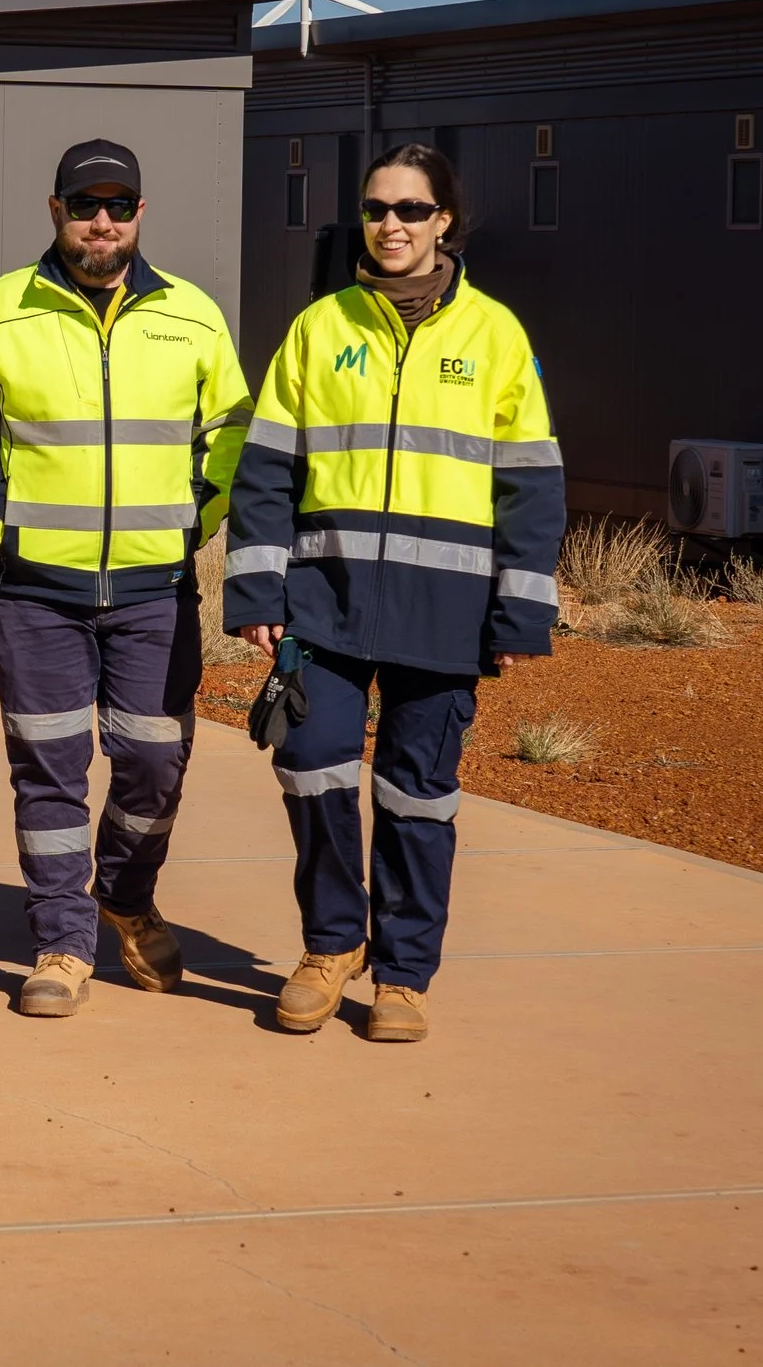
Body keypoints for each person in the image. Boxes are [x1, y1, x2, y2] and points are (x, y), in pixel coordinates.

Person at [224, 142, 565, 1042]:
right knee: (312, 767)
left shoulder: (495, 334)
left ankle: (404, 975)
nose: (392, 225)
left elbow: (531, 483)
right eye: (378, 208)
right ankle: (330, 946)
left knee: (419, 795)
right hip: (324, 608)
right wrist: (260, 592)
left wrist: (520, 607)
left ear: (444, 219)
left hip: (445, 615)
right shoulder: (318, 328)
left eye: (412, 210)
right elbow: (265, 472)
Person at [0, 140, 252, 1018]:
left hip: (155, 589)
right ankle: (61, 940)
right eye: (86, 205)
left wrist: (190, 521)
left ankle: (123, 893)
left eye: (119, 206)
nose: (102, 222)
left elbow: (228, 434)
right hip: (35, 590)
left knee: (155, 762)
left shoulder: (193, 317)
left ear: (140, 216)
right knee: (49, 768)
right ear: (55, 211)